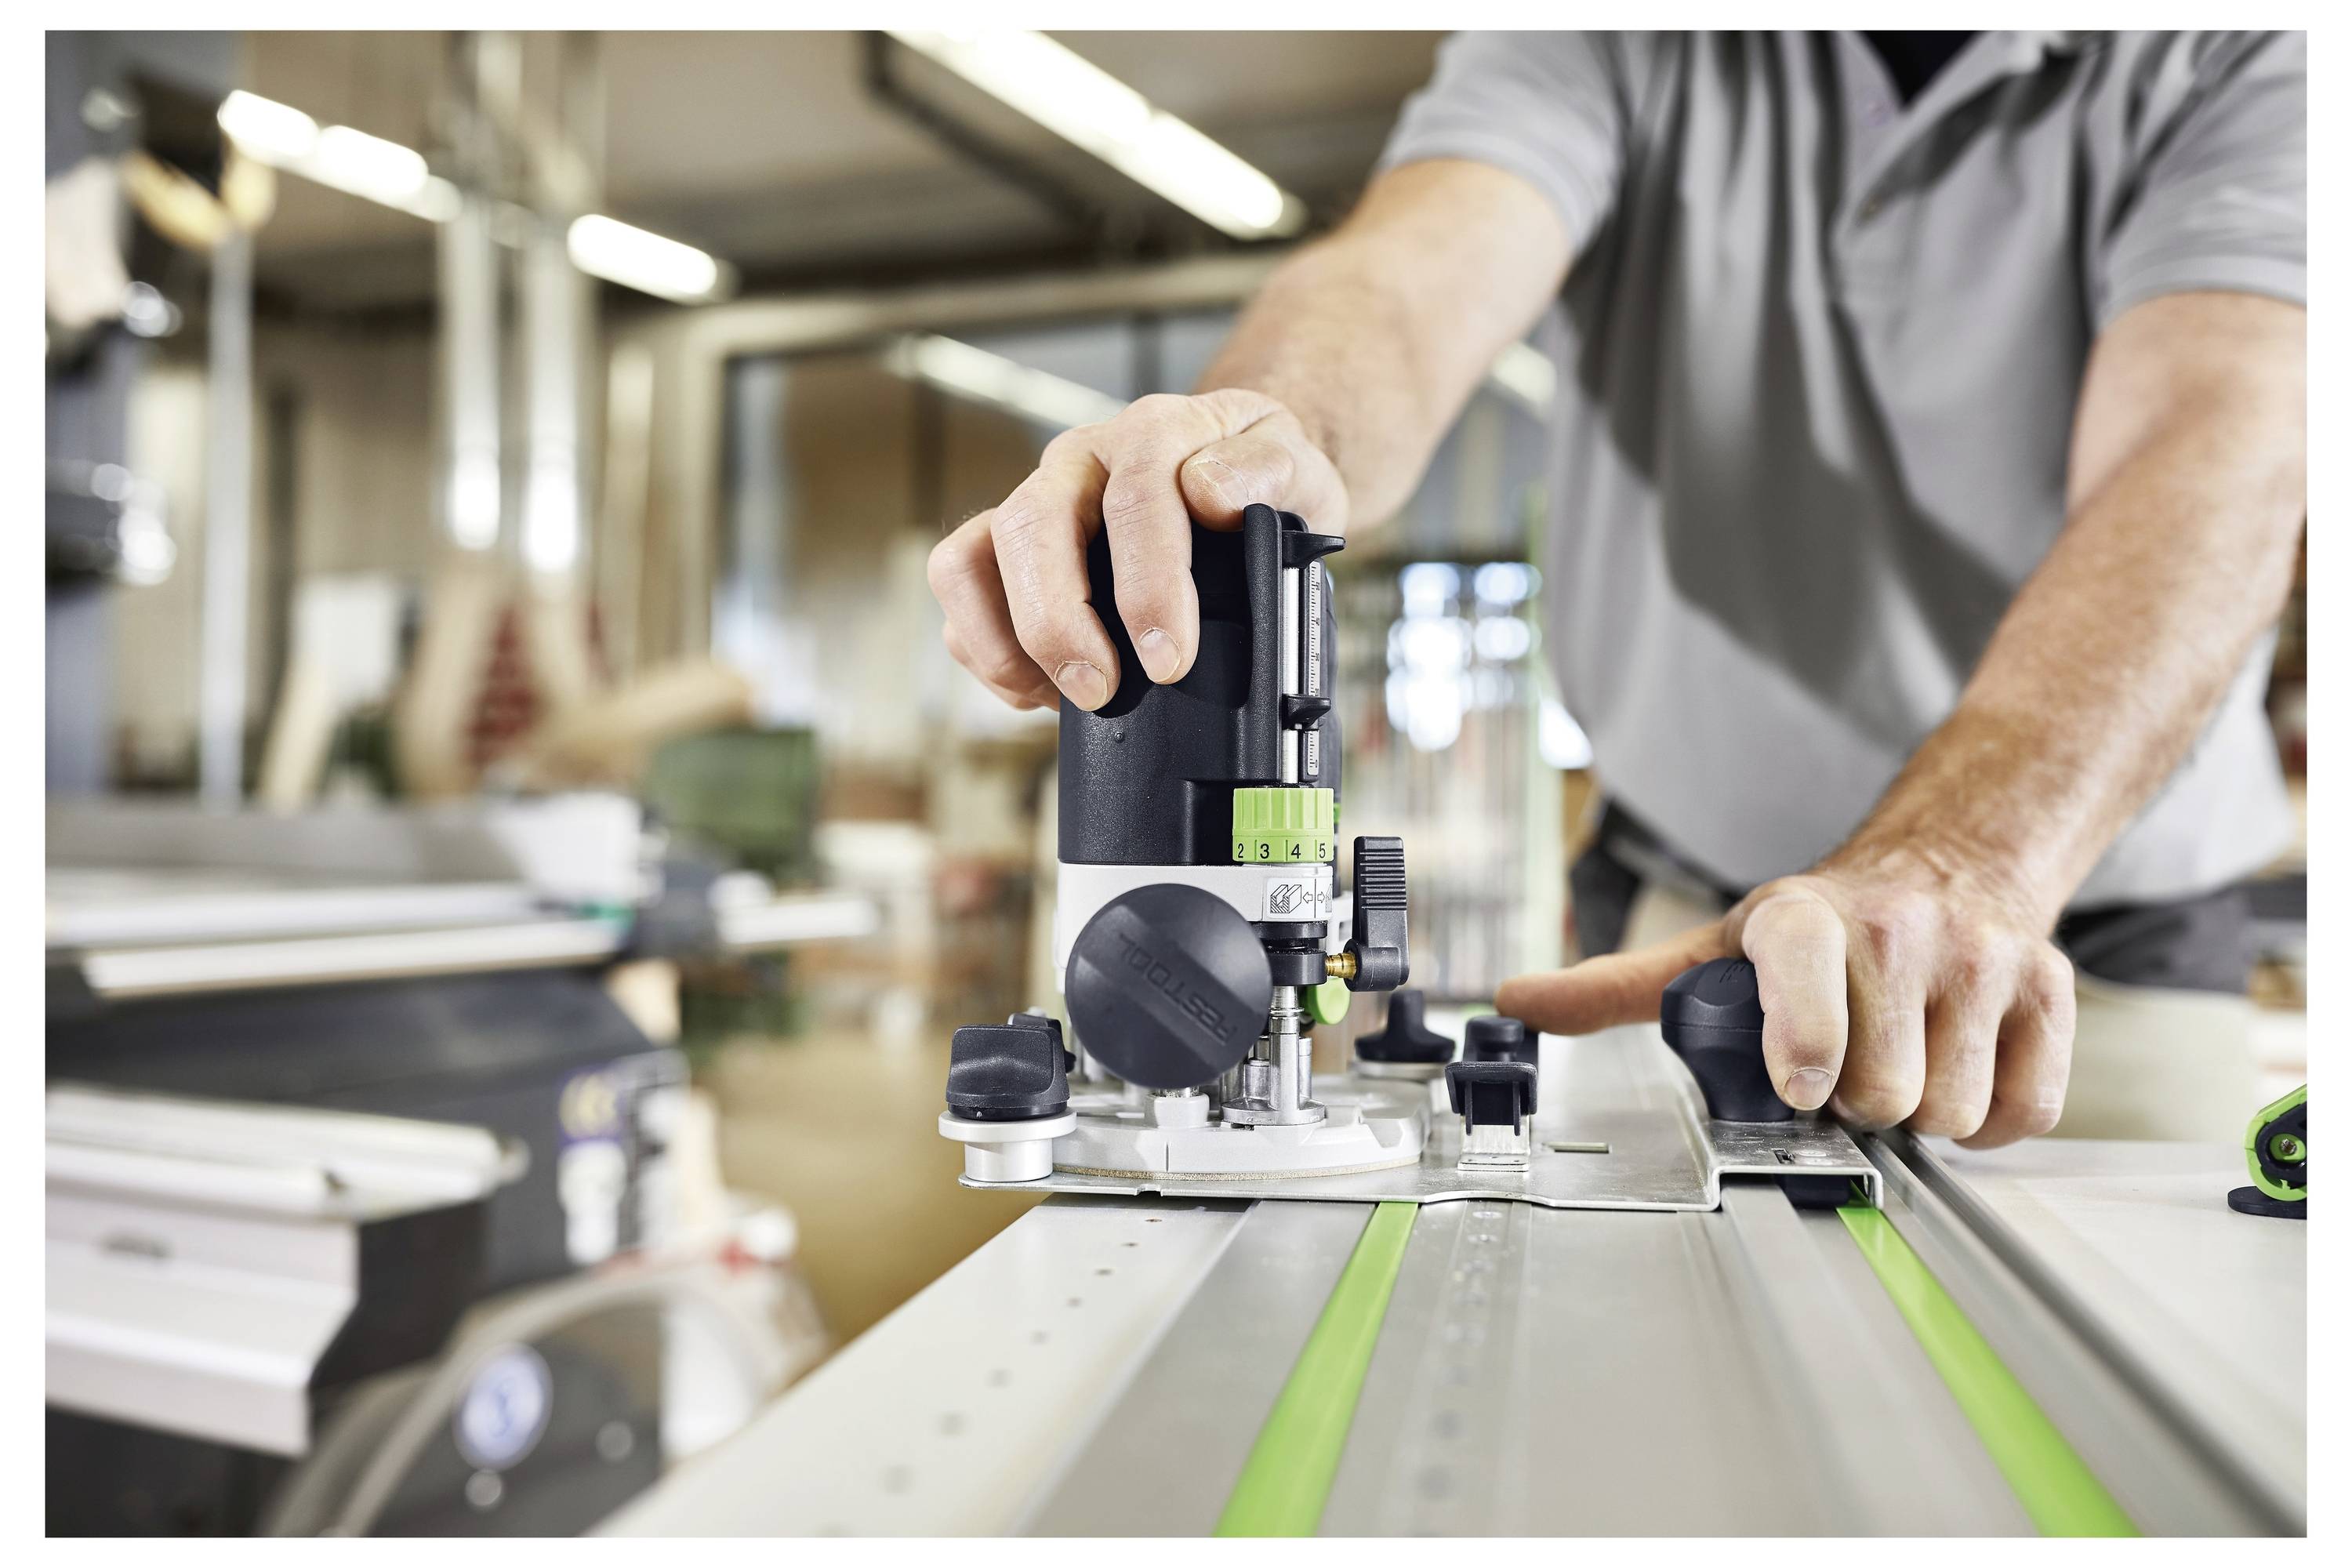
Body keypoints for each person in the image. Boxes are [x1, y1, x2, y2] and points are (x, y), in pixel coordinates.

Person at [925, 31, 2307, 1146]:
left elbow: (2219, 449)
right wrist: (1254, 443)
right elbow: (1406, 283)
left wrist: (1963, 863)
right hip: (1691, 936)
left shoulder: (2254, 49)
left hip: (2074, 944)